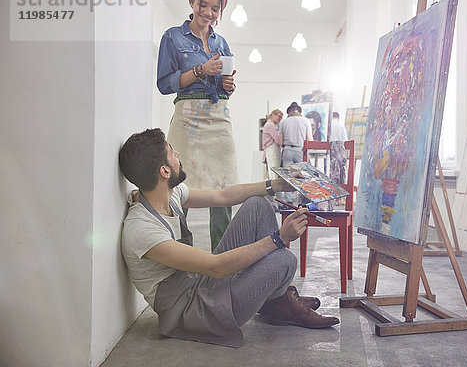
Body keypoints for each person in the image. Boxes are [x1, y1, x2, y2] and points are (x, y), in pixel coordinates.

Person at [118, 128, 339, 348]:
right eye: (171, 151)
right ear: (164, 172)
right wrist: (278, 238)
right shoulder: (142, 229)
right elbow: (216, 268)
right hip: (193, 311)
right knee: (284, 260)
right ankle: (279, 302)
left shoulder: (168, 193)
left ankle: (276, 303)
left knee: (257, 204)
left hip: (200, 284)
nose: (177, 154)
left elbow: (221, 196)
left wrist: (276, 185)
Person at [156, 0, 237, 252]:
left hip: (219, 115)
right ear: (192, 2)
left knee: (222, 192)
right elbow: (165, 84)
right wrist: (201, 70)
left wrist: (228, 85)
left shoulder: (222, 42)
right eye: (204, 5)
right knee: (179, 186)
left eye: (215, 8)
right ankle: (180, 255)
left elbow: (225, 82)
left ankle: (222, 259)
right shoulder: (172, 37)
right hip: (188, 116)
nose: (209, 13)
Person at [279, 102, 313, 168]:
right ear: (299, 111)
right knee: (301, 174)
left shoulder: (283, 122)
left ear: (288, 112)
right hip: (300, 151)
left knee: (287, 175)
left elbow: (280, 142)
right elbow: (310, 140)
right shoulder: (306, 121)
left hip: (287, 151)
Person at [262, 109, 283, 179]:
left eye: (281, 117)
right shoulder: (270, 125)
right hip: (272, 150)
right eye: (279, 116)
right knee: (274, 173)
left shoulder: (269, 125)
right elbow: (278, 141)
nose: (280, 119)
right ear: (273, 115)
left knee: (271, 172)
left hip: (271, 150)